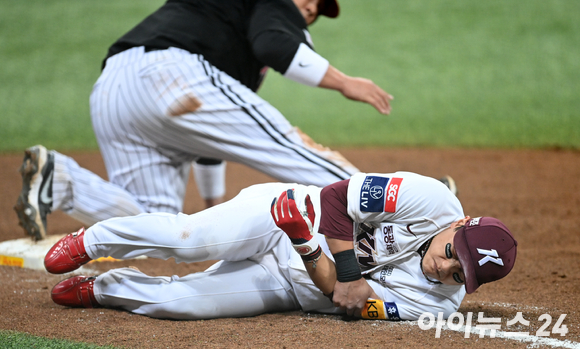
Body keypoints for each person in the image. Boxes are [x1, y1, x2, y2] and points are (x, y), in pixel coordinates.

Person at [14, 0, 398, 241]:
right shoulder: (272, 6)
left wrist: (214, 209)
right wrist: (346, 82)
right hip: (169, 72)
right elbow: (274, 45)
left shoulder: (231, 34)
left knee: (155, 224)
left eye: (320, 7)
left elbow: (212, 139)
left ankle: (61, 180)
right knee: (290, 150)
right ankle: (399, 209)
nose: (314, 8)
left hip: (114, 91)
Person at [44, 171, 515, 320]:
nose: (443, 269)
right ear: (456, 224)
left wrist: (311, 249)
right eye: (453, 253)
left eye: (459, 276)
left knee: (183, 304)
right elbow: (334, 196)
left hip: (294, 282)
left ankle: (102, 289)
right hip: (279, 215)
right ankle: (93, 239)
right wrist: (335, 262)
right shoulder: (432, 197)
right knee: (189, 241)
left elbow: (343, 296)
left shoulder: (435, 305)